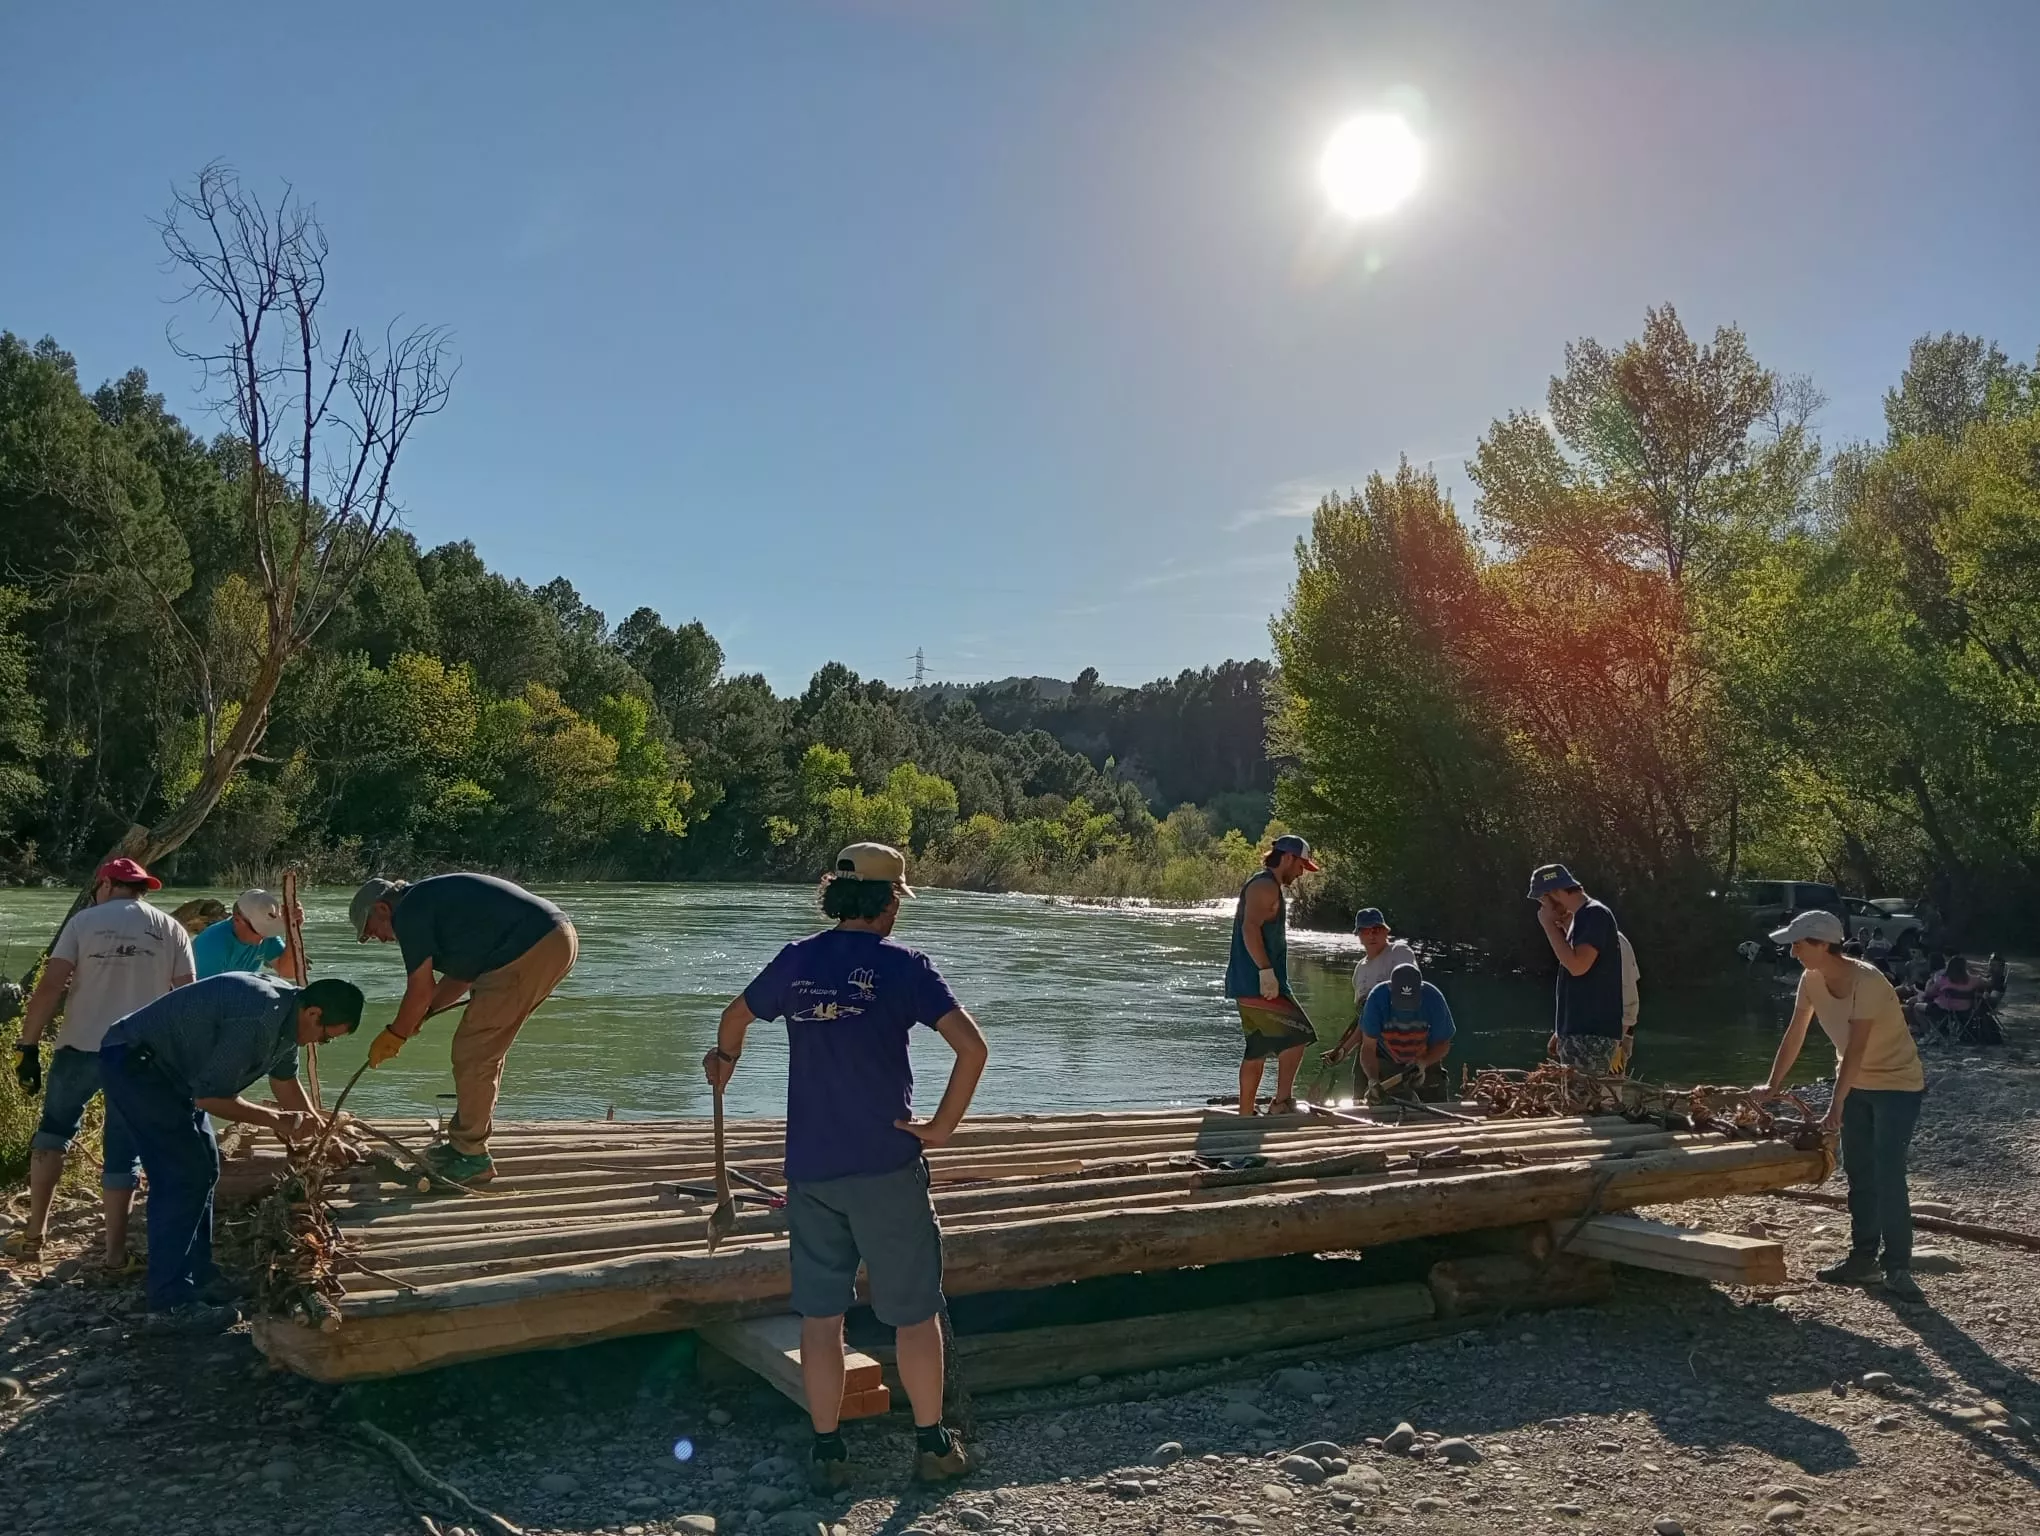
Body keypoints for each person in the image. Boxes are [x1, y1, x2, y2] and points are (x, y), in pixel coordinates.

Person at [707, 843, 987, 1490]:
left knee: (821, 1316)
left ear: (838, 896)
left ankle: (828, 1453)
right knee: (914, 1314)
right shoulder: (905, 967)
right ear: (889, 901)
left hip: (811, 1168)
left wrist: (726, 1061)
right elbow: (973, 1048)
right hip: (887, 1164)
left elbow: (734, 1018)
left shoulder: (796, 960)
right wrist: (940, 1129)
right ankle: (932, 1445)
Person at [98, 971, 362, 1318]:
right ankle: (171, 1304)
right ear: (313, 1014)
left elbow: (285, 1084)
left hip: (170, 1072)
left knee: (206, 1167)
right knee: (182, 1176)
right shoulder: (258, 1019)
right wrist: (277, 1122)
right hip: (136, 1064)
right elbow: (211, 1098)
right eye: (325, 1037)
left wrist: (323, 1136)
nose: (319, 1043)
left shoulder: (290, 1018)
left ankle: (200, 1276)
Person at [7, 857, 195, 1265]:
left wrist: (27, 1046)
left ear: (106, 884)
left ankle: (35, 1234)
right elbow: (187, 1002)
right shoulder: (172, 929)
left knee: (53, 1132)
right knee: (123, 1151)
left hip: (80, 1045)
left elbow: (50, 987)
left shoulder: (83, 923)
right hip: (139, 1053)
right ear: (142, 888)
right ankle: (113, 1255)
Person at [350, 873, 579, 1182]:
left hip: (531, 946)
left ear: (382, 909)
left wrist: (396, 1033)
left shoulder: (410, 911)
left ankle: (471, 1156)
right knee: (483, 1049)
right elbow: (460, 977)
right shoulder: (431, 902)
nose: (378, 938)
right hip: (553, 937)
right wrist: (421, 1016)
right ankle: (465, 1145)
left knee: (474, 1052)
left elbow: (419, 988)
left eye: (372, 930)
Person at [1755, 910, 1927, 1303]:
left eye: (1799, 944)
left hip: (1897, 1086)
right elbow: (1796, 1030)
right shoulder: (1810, 979)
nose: (1793, 951)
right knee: (1858, 1172)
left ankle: (1898, 1268)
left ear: (1821, 945)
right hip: (1857, 1084)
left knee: (1887, 1173)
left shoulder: (1867, 981)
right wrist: (1773, 1084)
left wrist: (1836, 1103)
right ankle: (1862, 1258)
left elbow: (1856, 1047)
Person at [1225, 834, 1321, 1115]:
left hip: (1250, 981)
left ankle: (1246, 1114)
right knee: (1299, 1034)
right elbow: (1250, 929)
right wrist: (1267, 973)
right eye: (1301, 865)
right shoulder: (1265, 886)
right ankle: (1280, 1103)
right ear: (1288, 858)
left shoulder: (1268, 885)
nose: (1302, 872)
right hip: (1257, 983)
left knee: (1257, 1047)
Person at [1528, 863, 1625, 1074]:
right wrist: (1562, 1030)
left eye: (1542, 900)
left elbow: (1578, 966)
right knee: (1575, 1102)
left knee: (1581, 1103)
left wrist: (1548, 927)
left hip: (1590, 1034)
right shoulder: (1583, 919)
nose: (1542, 908)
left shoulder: (1593, 914)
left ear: (1554, 893)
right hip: (1580, 1032)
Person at [1322, 908, 1417, 1094]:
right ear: (1358, 935)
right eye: (1366, 931)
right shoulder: (1359, 970)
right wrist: (1343, 1050)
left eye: (1377, 929)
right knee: (1362, 1094)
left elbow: (1408, 992)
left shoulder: (1399, 952)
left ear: (1386, 931)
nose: (1372, 935)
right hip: (1369, 1048)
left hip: (1399, 1042)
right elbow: (1364, 1019)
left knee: (1401, 1097)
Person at [1355, 962, 1455, 1100]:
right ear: (1390, 988)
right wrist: (1373, 1080)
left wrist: (1423, 1063)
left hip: (1423, 1058)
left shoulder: (1434, 998)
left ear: (1420, 990)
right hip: (1385, 1061)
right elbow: (1368, 1048)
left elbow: (1443, 1044)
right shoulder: (1376, 999)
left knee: (1436, 1109)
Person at [189, 887, 306, 982]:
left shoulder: (266, 935)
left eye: (268, 929)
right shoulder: (213, 945)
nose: (263, 936)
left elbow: (288, 972)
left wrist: (293, 931)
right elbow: (203, 998)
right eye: (258, 929)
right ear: (237, 920)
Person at [1610, 930, 1641, 1074]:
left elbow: (1630, 1001)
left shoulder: (1614, 941)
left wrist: (1613, 1044)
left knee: (1608, 1095)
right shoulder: (1574, 937)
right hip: (1583, 1042)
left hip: (1613, 1039)